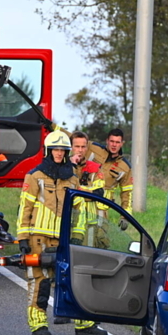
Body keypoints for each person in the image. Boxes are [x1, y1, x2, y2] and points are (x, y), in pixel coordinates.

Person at [17, 130, 107, 335]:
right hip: (37, 237)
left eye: (62, 150)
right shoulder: (34, 176)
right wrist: (22, 237)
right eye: (55, 149)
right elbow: (25, 208)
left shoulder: (71, 178)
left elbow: (79, 210)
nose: (59, 153)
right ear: (48, 151)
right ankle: (38, 325)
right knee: (40, 281)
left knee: (75, 280)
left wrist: (77, 234)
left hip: (63, 239)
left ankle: (84, 325)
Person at [53, 130, 103, 324]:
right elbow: (62, 190)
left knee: (85, 271)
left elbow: (99, 193)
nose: (80, 150)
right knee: (63, 269)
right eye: (76, 146)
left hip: (87, 226)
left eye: (83, 146)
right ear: (70, 147)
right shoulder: (63, 167)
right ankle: (63, 312)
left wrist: (80, 190)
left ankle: (84, 318)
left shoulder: (94, 168)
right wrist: (71, 167)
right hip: (65, 225)